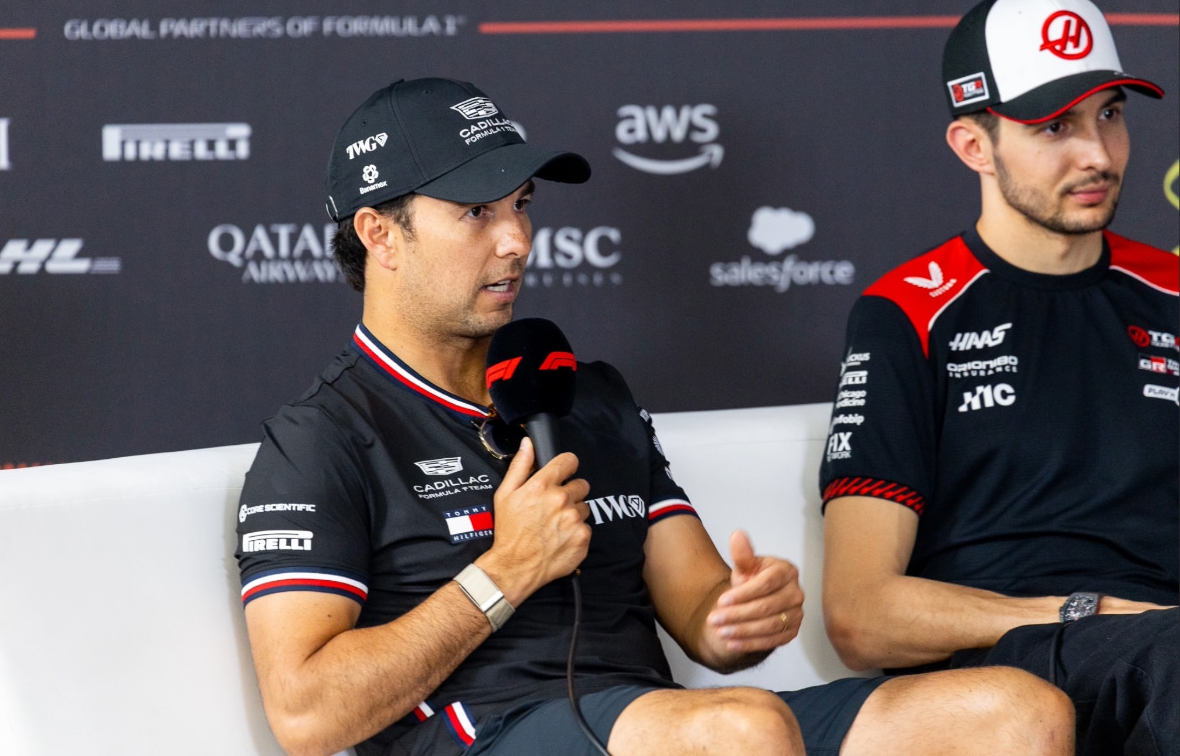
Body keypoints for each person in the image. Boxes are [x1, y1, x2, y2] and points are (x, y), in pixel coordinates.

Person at [237, 77, 1073, 756]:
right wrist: (505, 571)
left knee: (1015, 712)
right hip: (481, 738)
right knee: (738, 731)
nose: (517, 240)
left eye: (521, 204)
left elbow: (703, 618)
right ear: (381, 234)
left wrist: (741, 616)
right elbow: (308, 716)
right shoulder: (322, 437)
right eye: (476, 213)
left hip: (653, 725)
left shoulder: (585, 391)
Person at [819, 0, 1178, 756]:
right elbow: (859, 613)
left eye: (1109, 115)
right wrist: (1088, 611)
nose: (1097, 153)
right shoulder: (905, 312)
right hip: (1019, 659)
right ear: (972, 146)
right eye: (1054, 125)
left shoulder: (1172, 291)